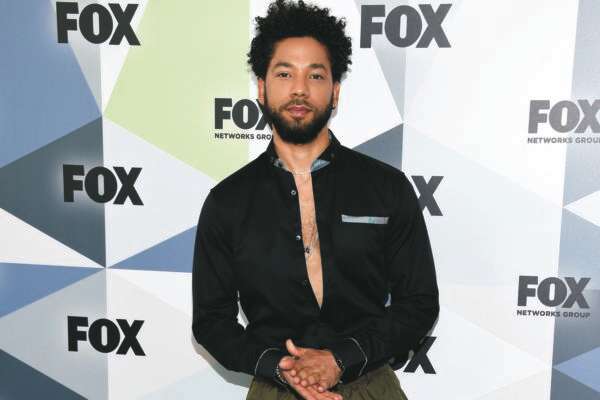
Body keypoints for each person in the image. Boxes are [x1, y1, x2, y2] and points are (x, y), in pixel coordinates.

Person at [192, 1, 439, 399]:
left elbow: (419, 303)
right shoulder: (228, 202)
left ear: (334, 92)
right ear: (262, 88)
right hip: (274, 388)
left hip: (370, 385)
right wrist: (280, 366)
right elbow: (211, 322)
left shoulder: (387, 187)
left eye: (316, 75)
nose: (300, 89)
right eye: (284, 73)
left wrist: (342, 359)